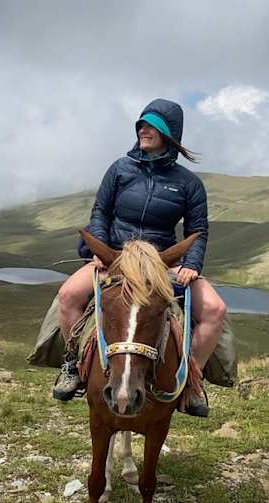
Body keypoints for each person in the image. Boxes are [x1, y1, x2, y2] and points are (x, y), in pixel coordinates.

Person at [52, 98, 226, 417]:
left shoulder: (188, 183)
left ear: (169, 134)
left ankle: (190, 380)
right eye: (141, 124)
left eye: (152, 126)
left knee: (215, 309)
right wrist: (99, 250)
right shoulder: (120, 169)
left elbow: (198, 228)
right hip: (116, 258)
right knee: (68, 296)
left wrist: (191, 265)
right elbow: (100, 211)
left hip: (163, 262)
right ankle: (72, 366)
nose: (144, 130)